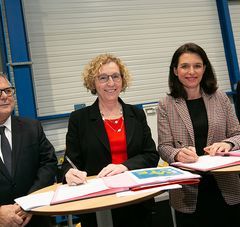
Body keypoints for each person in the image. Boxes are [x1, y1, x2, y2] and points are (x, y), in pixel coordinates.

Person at [61, 53, 159, 227]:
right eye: (103, 78)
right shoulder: (79, 119)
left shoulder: (136, 114)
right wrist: (68, 173)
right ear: (93, 83)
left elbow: (151, 155)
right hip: (98, 204)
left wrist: (124, 166)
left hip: (137, 201)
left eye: (115, 76)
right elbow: (69, 162)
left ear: (123, 80)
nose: (111, 83)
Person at [157, 42, 240, 227]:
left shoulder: (220, 97)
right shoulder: (166, 104)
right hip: (188, 190)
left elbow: (237, 134)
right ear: (175, 70)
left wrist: (228, 144)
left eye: (197, 66)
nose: (191, 72)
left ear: (204, 69)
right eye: (184, 66)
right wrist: (177, 154)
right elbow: (164, 146)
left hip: (226, 187)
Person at [0, 73, 58, 226]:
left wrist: (29, 202)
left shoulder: (32, 127)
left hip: (36, 218)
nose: (5, 96)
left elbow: (49, 164)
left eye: (8, 90)